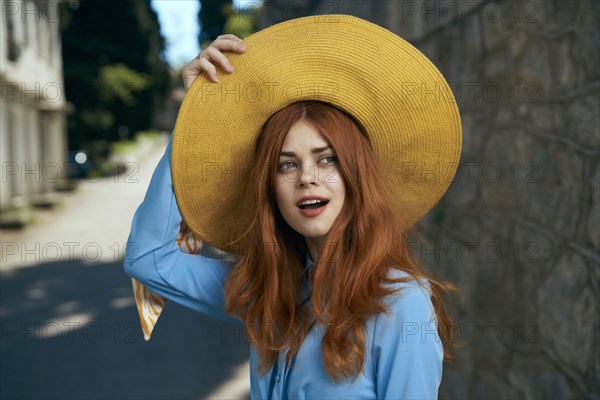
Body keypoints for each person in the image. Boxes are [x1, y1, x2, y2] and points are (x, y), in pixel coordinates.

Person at [124, 15, 462, 399]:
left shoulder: (401, 305)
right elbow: (148, 258)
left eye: (327, 159)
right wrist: (192, 121)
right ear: (270, 188)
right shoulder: (266, 288)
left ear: (357, 174)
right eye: (287, 164)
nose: (307, 178)